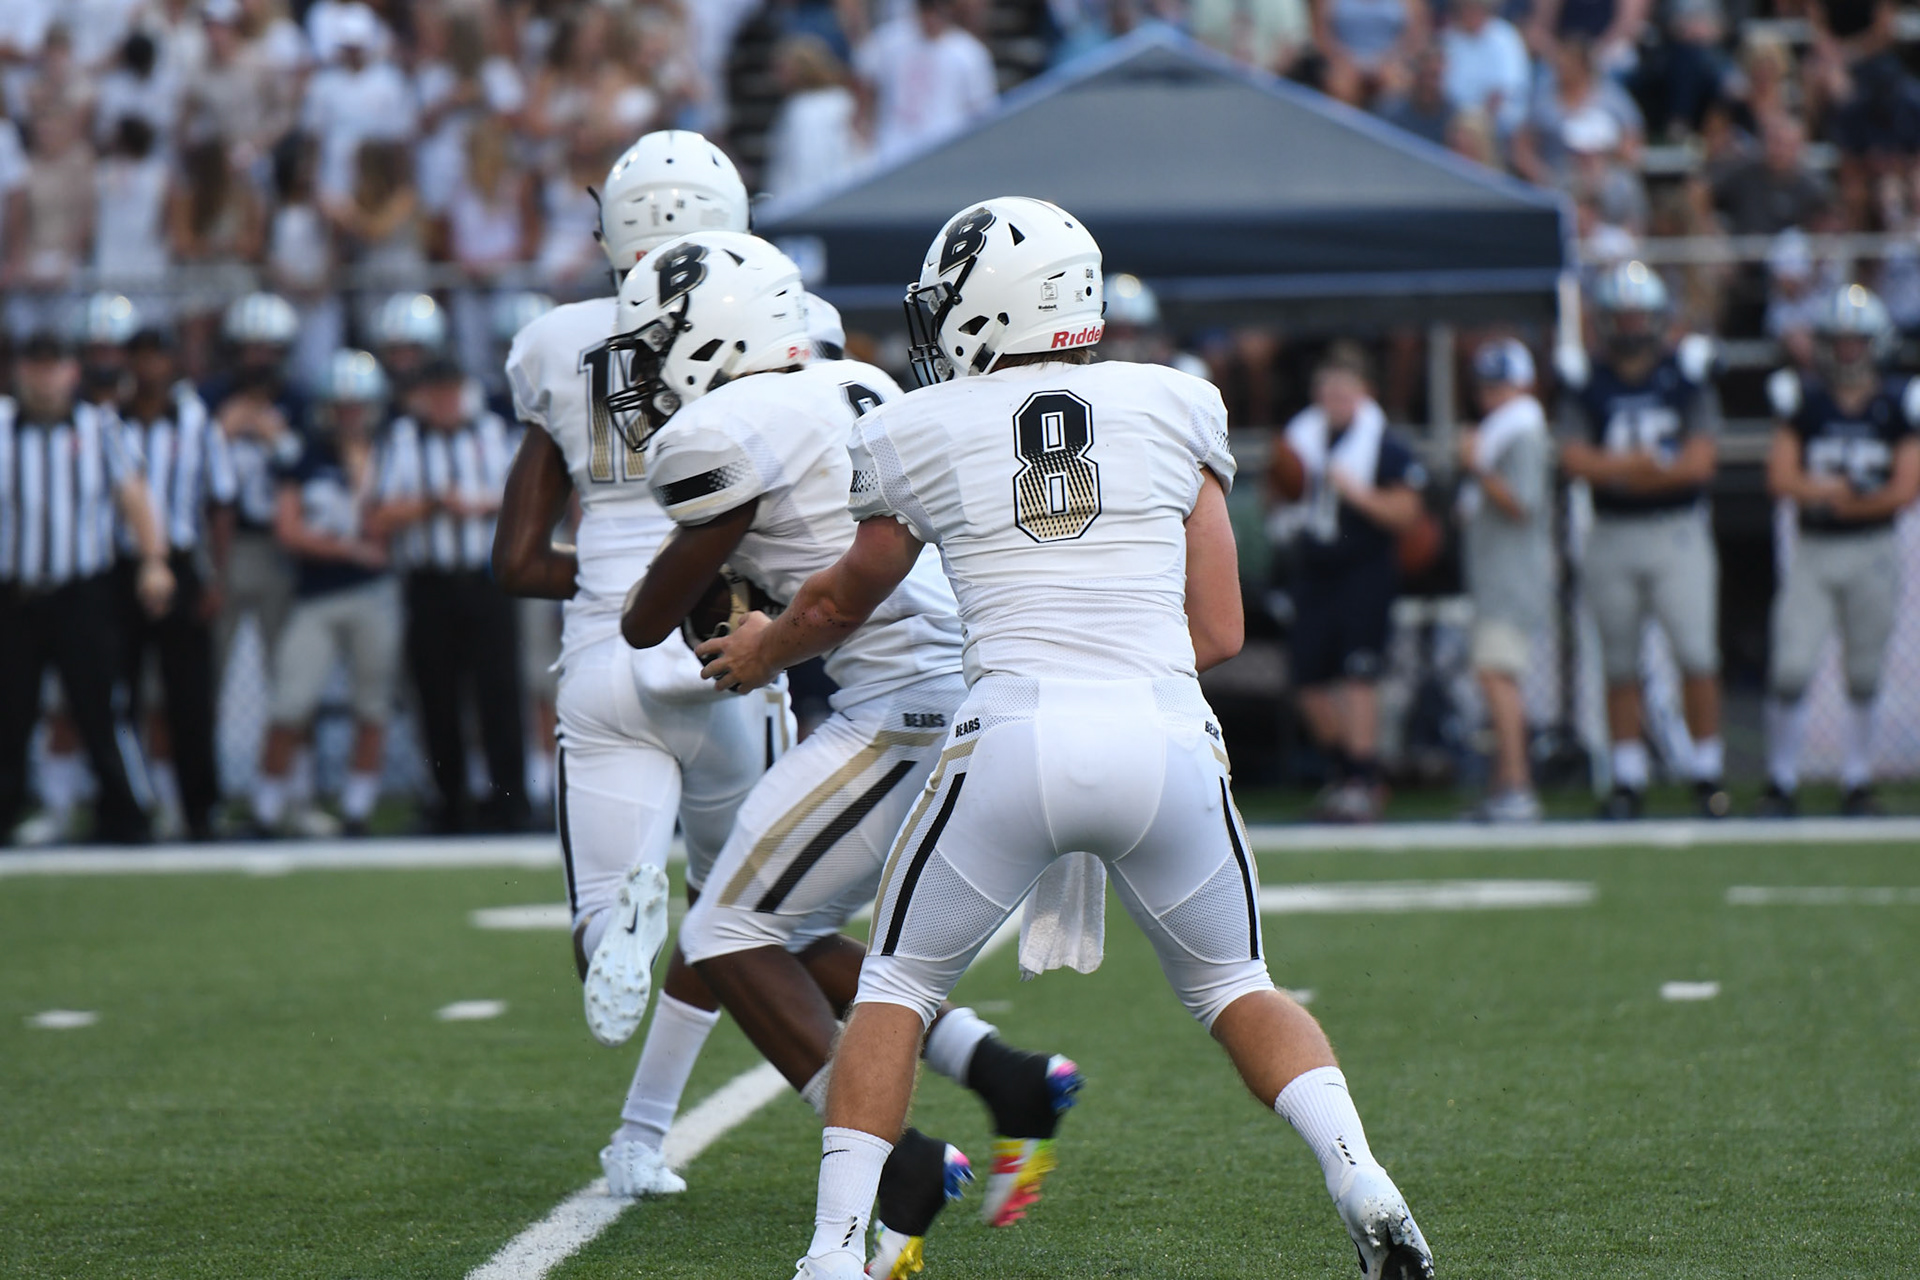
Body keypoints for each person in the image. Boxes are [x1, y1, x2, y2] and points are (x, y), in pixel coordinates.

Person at [691, 197, 1433, 1280]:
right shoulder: (1177, 402)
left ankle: (835, 1251)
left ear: (989, 306)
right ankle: (1361, 1175)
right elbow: (1222, 629)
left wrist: (766, 648)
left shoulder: (915, 425)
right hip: (1167, 731)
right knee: (1238, 984)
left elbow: (844, 599)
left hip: (1014, 736)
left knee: (895, 992)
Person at [617, 229, 1082, 1278]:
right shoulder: (852, 382)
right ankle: (1001, 1072)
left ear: (708, 334)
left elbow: (651, 621)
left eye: (656, 344)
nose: (645, 371)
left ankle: (896, 1158)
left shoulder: (724, 428)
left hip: (900, 710)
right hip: (953, 693)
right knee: (785, 921)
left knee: (726, 929)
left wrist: (675, 594)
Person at [494, 130, 795, 1201]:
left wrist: (615, 579)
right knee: (744, 919)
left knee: (603, 929)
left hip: (605, 648)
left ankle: (619, 929)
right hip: (732, 644)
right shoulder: (785, 316)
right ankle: (653, 1132)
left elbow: (515, 559)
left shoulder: (556, 343)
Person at [1558, 261, 1726, 819]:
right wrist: (1646, 465)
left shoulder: (1684, 374)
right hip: (1612, 531)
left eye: (1638, 315)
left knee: (1697, 654)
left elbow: (1699, 463)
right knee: (1619, 661)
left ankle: (1708, 772)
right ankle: (1627, 778)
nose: (1631, 326)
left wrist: (1617, 470)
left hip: (1676, 530)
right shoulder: (1587, 379)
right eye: (1622, 316)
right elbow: (1574, 462)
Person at [0, 332, 174, 845]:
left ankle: (126, 812)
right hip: (15, 594)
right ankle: (6, 811)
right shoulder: (2, 427)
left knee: (100, 707)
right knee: (9, 710)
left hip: (83, 593)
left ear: (71, 372)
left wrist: (154, 561)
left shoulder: (101, 428)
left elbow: (134, 497)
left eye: (53, 366)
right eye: (35, 366)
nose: (44, 377)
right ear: (20, 372)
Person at [1759, 286, 1919, 818]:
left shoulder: (1899, 402)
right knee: (1791, 668)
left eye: (1857, 341)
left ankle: (1857, 779)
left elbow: (1905, 489)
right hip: (1816, 549)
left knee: (1865, 672)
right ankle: (1781, 781)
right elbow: (1781, 477)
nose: (1848, 351)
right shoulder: (1803, 399)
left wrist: (1839, 499)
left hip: (1873, 549)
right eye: (1840, 340)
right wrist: (1839, 494)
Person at [246, 348, 399, 838]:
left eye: (357, 406)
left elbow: (381, 526)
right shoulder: (304, 455)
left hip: (373, 594)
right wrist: (346, 549)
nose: (349, 416)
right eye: (341, 406)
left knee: (372, 705)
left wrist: (360, 475)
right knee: (289, 704)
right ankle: (266, 810)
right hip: (315, 595)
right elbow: (288, 530)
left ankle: (357, 810)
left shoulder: (388, 453)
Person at [1274, 344, 1428, 823]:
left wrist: (1357, 494)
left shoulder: (1384, 445)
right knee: (1308, 679)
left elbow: (1408, 514)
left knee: (1359, 673)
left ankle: (1363, 778)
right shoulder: (1301, 439)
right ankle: (1346, 771)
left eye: (1344, 392)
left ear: (1364, 394)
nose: (1335, 401)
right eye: (1328, 392)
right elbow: (1277, 495)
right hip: (1314, 567)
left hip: (1364, 568)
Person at [377, 357, 527, 834]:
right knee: (436, 697)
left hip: (486, 582)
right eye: (435, 392)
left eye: (451, 391)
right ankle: (449, 804)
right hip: (429, 584)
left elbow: (527, 497)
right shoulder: (401, 438)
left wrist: (478, 505)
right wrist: (431, 504)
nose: (444, 402)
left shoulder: (494, 432)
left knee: (499, 694)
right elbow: (378, 513)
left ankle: (510, 804)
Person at [115, 325, 237, 842]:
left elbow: (220, 502)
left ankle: (200, 808)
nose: (150, 368)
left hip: (183, 564)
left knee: (189, 696)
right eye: (141, 358)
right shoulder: (105, 422)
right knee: (117, 696)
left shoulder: (196, 421)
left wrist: (217, 577)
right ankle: (130, 806)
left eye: (157, 357)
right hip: (117, 569)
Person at [1457, 339, 1552, 823]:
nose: (1491, 396)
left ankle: (1517, 785)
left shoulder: (1523, 433)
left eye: (1500, 386)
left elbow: (1522, 503)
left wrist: (1477, 466)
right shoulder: (1508, 431)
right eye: (1486, 387)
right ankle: (1506, 785)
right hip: (1498, 575)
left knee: (1497, 677)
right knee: (1496, 676)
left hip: (1510, 577)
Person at [853, 0, 997, 163]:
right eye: (925, 10)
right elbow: (865, 81)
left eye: (935, 11)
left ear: (946, 12)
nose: (930, 18)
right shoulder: (889, 41)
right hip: (893, 149)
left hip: (945, 151)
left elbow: (981, 109)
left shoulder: (969, 53)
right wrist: (864, 127)